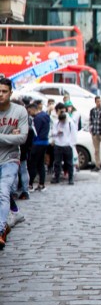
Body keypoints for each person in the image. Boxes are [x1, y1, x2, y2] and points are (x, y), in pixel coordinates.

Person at [0, 78, 29, 249]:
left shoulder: (19, 111)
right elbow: (16, 137)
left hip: (11, 158)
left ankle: (1, 229)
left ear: (10, 92)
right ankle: (12, 216)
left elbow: (22, 138)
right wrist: (11, 136)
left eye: (4, 91)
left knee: (3, 191)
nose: (0, 94)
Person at [50, 103, 76, 185]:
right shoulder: (56, 123)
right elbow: (52, 132)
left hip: (67, 145)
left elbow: (73, 134)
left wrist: (71, 144)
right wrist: (57, 133)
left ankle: (70, 178)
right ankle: (56, 177)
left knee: (69, 163)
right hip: (58, 145)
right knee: (57, 162)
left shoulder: (70, 123)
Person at [28, 100, 50, 192]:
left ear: (33, 109)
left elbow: (35, 132)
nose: (29, 113)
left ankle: (30, 185)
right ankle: (41, 184)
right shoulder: (45, 116)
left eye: (29, 111)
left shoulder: (37, 118)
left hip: (37, 143)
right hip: (44, 142)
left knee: (33, 164)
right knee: (40, 164)